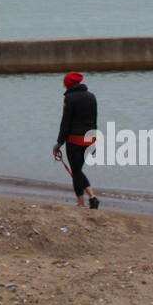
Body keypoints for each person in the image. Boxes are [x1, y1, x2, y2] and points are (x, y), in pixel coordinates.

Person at [53, 71, 100, 209]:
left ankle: (86, 199)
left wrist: (59, 143)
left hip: (74, 140)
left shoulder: (70, 98)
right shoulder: (92, 97)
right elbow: (94, 120)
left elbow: (65, 123)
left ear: (68, 84)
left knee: (76, 171)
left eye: (64, 83)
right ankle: (88, 199)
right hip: (89, 139)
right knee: (77, 170)